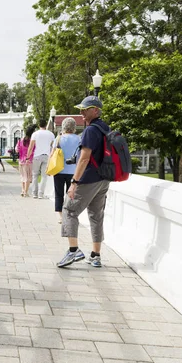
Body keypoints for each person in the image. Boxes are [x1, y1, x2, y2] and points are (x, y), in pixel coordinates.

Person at [57, 96, 110, 269]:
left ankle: (73, 250)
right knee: (96, 215)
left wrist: (74, 182)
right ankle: (96, 255)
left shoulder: (90, 131)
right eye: (80, 110)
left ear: (95, 110)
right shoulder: (105, 128)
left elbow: (84, 158)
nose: (81, 113)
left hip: (88, 179)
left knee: (69, 210)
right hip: (103, 179)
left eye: (85, 110)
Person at [52, 117, 81, 223]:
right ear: (74, 127)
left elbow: (52, 153)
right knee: (71, 194)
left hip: (59, 169)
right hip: (74, 171)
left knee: (58, 193)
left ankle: (60, 216)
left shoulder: (58, 138)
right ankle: (69, 214)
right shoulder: (79, 139)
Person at [27, 119, 55, 199]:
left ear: (39, 125)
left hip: (37, 156)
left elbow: (31, 146)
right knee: (44, 176)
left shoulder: (35, 134)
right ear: (46, 125)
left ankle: (34, 193)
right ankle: (40, 194)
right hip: (47, 156)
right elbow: (53, 146)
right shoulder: (51, 134)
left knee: (35, 175)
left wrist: (28, 156)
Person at [16, 125, 36, 196]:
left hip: (21, 160)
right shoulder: (32, 141)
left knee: (23, 176)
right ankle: (25, 192)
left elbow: (17, 149)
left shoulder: (20, 140)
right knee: (28, 177)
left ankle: (22, 190)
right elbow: (33, 150)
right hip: (29, 160)